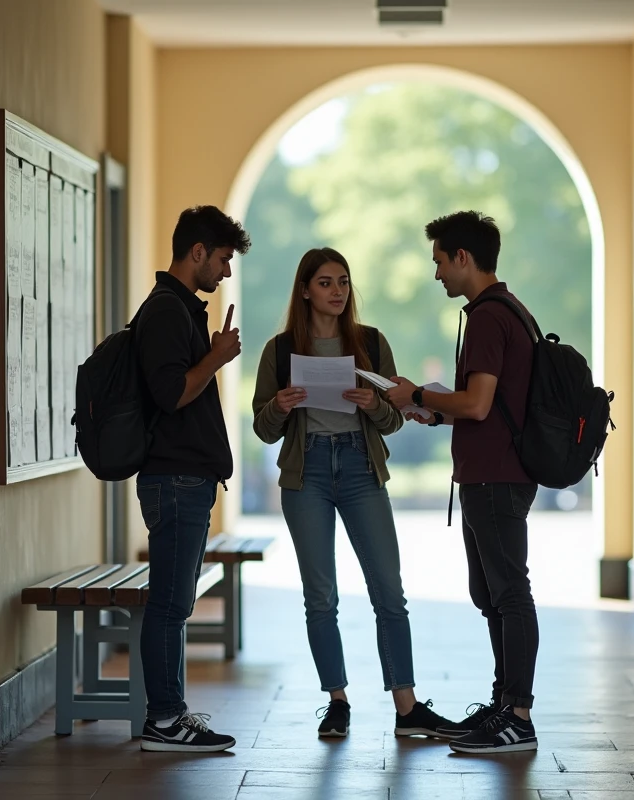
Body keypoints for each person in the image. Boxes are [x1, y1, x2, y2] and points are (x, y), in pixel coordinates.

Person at [251, 247, 454, 740]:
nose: (338, 291)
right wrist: (279, 406)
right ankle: (336, 700)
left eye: (343, 281)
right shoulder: (280, 351)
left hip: (362, 469)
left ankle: (407, 708)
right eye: (325, 282)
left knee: (389, 590)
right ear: (305, 290)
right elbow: (262, 429)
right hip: (308, 474)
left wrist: (372, 405)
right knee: (320, 597)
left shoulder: (369, 343)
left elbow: (393, 422)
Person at [385, 211, 540, 754]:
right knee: (492, 594)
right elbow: (486, 407)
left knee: (509, 593)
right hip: (493, 473)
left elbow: (475, 403)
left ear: (463, 259)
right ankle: (504, 706)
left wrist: (417, 397)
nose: (437, 275)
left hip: (494, 478)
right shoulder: (510, 311)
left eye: (440, 262)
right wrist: (432, 411)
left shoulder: (486, 318)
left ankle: (517, 716)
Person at [134, 205, 250, 753]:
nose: (226, 272)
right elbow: (173, 393)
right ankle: (164, 720)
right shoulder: (164, 312)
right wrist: (218, 359)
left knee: (175, 603)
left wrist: (210, 355)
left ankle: (171, 714)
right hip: (174, 479)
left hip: (186, 480)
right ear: (197, 252)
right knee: (171, 604)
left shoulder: (182, 309)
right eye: (223, 259)